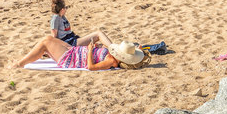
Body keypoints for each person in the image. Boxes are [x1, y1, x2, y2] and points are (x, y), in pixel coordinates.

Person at [11, 33, 149, 70]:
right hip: (75, 51)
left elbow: (91, 67)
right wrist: (138, 50)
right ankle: (21, 62)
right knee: (47, 40)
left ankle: (20, 64)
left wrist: (90, 51)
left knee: (45, 43)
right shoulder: (112, 57)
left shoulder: (111, 61)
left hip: (71, 59)